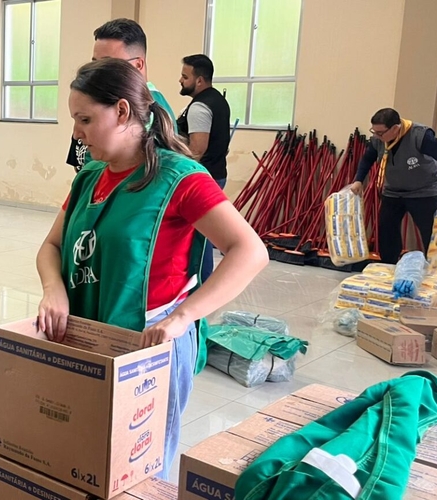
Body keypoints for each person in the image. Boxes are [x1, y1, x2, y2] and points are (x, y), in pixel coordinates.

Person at [37, 58, 268, 481]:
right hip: (91, 332)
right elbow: (52, 246)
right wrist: (54, 289)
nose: (76, 132)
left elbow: (250, 251)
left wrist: (183, 317)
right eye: (75, 119)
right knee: (86, 455)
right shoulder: (89, 177)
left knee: (139, 468)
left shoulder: (180, 178)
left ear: (122, 111)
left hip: (150, 341)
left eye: (85, 119)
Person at [66, 18, 178, 173]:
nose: (97, 72)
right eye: (94, 63)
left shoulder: (151, 110)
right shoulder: (94, 100)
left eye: (109, 64)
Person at [349, 108, 437, 264]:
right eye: (374, 131)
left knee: (430, 233)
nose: (376, 136)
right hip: (393, 191)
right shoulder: (379, 140)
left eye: (380, 133)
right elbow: (367, 159)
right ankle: (389, 265)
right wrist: (358, 180)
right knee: (386, 229)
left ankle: (436, 269)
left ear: (395, 128)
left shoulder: (420, 136)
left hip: (423, 192)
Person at [178, 54, 231, 283]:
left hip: (202, 177)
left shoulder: (199, 106)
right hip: (216, 174)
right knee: (203, 235)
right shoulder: (218, 100)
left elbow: (197, 150)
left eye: (184, 76)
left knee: (200, 239)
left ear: (199, 81)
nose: (180, 80)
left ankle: (200, 284)